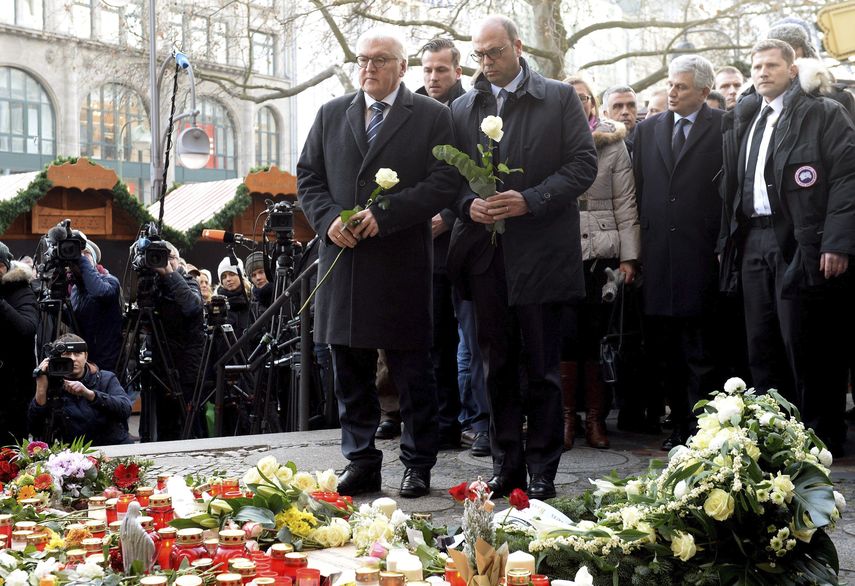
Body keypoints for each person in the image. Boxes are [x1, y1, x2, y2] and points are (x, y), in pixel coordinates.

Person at [297, 28, 459, 498]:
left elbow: (446, 179)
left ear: (402, 67)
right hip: (343, 262)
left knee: (412, 371)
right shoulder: (331, 113)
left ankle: (417, 463)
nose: (368, 67)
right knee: (349, 369)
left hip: (400, 263)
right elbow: (309, 176)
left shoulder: (431, 115)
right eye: (363, 59)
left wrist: (386, 214)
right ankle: (361, 461)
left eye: (380, 60)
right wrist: (327, 219)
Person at [446, 15, 597, 499]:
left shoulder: (557, 96)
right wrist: (464, 205)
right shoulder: (465, 106)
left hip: (542, 253)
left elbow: (583, 164)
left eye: (493, 53)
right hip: (487, 257)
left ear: (518, 46)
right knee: (497, 366)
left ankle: (543, 469)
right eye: (478, 55)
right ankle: (506, 466)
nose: (486, 64)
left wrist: (532, 198)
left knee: (543, 369)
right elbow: (445, 179)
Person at [718, 39, 855, 455]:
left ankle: (820, 437)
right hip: (754, 239)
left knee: (807, 342)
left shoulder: (823, 113)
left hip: (801, 240)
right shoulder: (747, 117)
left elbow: (847, 178)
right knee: (761, 342)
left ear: (792, 70)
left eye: (772, 65)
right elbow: (733, 185)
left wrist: (836, 242)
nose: (762, 72)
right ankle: (774, 437)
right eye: (756, 66)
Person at [632, 54, 724, 450]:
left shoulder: (723, 126)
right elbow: (637, 188)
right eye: (670, 84)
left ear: (703, 92)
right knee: (666, 350)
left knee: (700, 351)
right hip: (658, 255)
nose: (671, 91)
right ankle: (679, 426)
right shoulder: (648, 129)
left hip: (700, 254)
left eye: (681, 86)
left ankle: (704, 431)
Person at [562, 75, 640, 450]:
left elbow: (626, 202)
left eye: (585, 98)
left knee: (594, 337)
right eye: (571, 98)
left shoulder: (613, 144)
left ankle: (595, 419)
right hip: (558, 252)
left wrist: (629, 257)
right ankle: (565, 418)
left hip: (602, 251)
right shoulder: (550, 138)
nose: (579, 105)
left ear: (594, 103)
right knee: (563, 337)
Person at [414, 38, 471, 451]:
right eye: (428, 70)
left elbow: (474, 173)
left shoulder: (471, 110)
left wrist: (448, 215)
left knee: (470, 339)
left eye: (442, 70)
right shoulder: (412, 110)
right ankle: (442, 422)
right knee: (433, 338)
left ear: (457, 71)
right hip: (424, 246)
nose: (434, 78)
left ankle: (475, 420)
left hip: (467, 238)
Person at [29, 333, 131, 445]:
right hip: (73, 455)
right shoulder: (49, 384)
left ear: (86, 356)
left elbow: (125, 409)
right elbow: (35, 429)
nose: (73, 359)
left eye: (78, 353)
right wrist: (41, 388)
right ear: (55, 359)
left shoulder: (105, 378)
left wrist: (90, 394)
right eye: (66, 354)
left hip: (111, 448)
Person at [767, 23, 855, 119]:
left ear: (805, 50)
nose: (788, 55)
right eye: (780, 50)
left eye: (793, 48)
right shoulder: (758, 100)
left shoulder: (838, 97)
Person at [0, 241, 38, 442]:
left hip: (14, 387)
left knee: (11, 450)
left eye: (0, 265)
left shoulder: (21, 290)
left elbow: (27, 329)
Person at [70, 234, 123, 371]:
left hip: (106, 359)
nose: (79, 257)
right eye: (77, 254)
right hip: (82, 358)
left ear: (93, 261)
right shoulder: (76, 289)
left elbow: (99, 292)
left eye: (85, 254)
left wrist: (81, 260)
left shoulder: (110, 280)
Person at [216, 256, 253, 334]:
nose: (228, 279)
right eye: (224, 276)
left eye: (232, 274)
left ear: (241, 276)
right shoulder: (217, 304)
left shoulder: (253, 299)